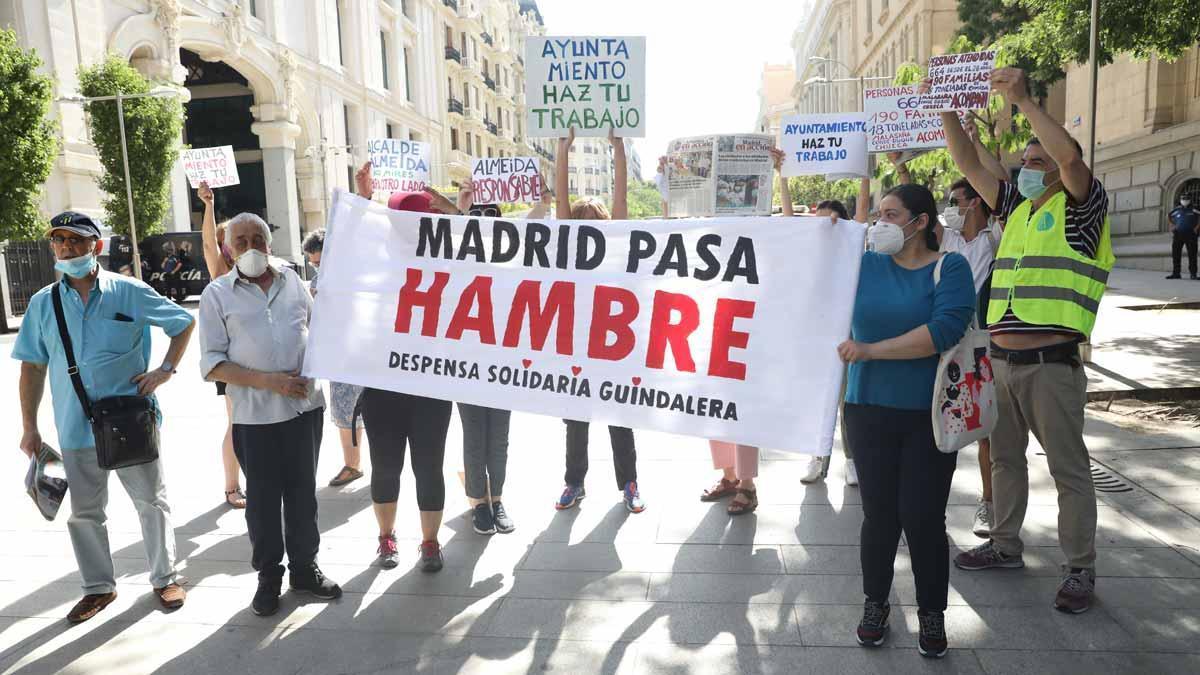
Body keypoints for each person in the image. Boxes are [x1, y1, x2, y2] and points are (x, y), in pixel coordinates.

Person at [938, 68, 1115, 615]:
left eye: (1038, 162)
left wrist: (1023, 101)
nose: (1029, 169)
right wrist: (945, 107)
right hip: (1003, 362)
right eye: (1027, 162)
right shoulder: (1015, 210)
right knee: (1007, 461)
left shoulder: (1083, 206)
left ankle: (1079, 569)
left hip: (1051, 366)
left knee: (1068, 469)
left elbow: (1069, 159)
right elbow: (969, 162)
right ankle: (1005, 545)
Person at [14, 211, 195, 623]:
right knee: (85, 513)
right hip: (76, 428)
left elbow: (182, 323)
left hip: (131, 422)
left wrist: (164, 371)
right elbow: (32, 367)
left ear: (95, 246)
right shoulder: (44, 303)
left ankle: (164, 577)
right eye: (59, 241)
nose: (67, 248)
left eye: (76, 241)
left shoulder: (128, 291)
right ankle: (98, 588)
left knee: (151, 502)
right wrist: (30, 427)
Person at [838, 185, 975, 658]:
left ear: (920, 223)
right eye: (877, 214)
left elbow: (942, 332)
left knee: (922, 518)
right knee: (879, 518)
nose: (879, 223)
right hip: (867, 408)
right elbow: (808, 263)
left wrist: (871, 351)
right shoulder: (864, 265)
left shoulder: (949, 268)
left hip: (929, 416)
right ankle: (875, 603)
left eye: (890, 215)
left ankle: (932, 612)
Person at [199, 212, 342, 617]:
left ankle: (304, 569)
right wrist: (270, 382)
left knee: (302, 495)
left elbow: (319, 330)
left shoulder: (293, 282)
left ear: (269, 242)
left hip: (304, 411)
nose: (250, 247)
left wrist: (317, 365)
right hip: (255, 418)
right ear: (228, 249)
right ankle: (268, 577)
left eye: (257, 239)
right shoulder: (216, 295)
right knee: (262, 503)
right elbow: (212, 364)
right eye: (240, 241)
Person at [352, 162, 458, 571]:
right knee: (386, 465)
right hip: (383, 386)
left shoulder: (448, 263)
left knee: (429, 466)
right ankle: (386, 537)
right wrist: (363, 199)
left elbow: (479, 248)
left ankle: (429, 543)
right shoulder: (372, 265)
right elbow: (349, 248)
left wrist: (450, 204)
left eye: (422, 220)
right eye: (406, 220)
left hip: (431, 386)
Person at [554, 127, 646, 514]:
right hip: (577, 348)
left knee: (620, 419)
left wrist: (619, 150)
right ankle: (574, 483)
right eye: (583, 219)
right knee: (576, 424)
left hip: (613, 349)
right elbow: (560, 202)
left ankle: (629, 483)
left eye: (597, 219)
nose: (591, 225)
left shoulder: (615, 247)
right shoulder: (569, 248)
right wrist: (563, 151)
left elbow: (621, 197)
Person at [700, 146, 791, 514]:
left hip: (749, 335)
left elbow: (791, 227)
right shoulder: (709, 235)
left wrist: (781, 175)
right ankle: (729, 476)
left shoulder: (766, 235)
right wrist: (667, 186)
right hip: (712, 333)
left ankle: (748, 485)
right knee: (713, 408)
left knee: (743, 410)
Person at [450, 178, 517, 536]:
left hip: (503, 363)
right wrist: (463, 213)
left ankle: (498, 500)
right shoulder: (460, 256)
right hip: (466, 363)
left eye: (492, 214)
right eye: (479, 214)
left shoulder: (512, 259)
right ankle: (478, 502)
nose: (484, 219)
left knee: (499, 437)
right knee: (474, 434)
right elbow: (451, 260)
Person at [940, 174, 1001, 539]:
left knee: (985, 432)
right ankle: (932, 503)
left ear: (975, 202)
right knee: (941, 426)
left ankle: (989, 503)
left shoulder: (995, 240)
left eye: (956, 200)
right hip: (947, 344)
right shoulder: (946, 238)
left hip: (983, 347)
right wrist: (899, 170)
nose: (950, 208)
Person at [800, 178, 871, 486]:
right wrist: (784, 175)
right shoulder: (809, 253)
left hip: (849, 336)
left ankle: (852, 460)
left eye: (830, 221)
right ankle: (817, 457)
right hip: (817, 336)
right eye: (818, 221)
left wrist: (864, 173)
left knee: (846, 402)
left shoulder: (852, 249)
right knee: (818, 399)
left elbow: (862, 213)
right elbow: (790, 222)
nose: (823, 227)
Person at [301, 228, 366, 489]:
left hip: (360, 354)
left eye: (319, 262)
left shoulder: (355, 275)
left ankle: (362, 464)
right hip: (339, 358)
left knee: (371, 412)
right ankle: (353, 464)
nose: (316, 267)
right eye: (312, 263)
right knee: (344, 412)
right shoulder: (318, 283)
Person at [197, 182, 245, 509]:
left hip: (260, 363)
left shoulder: (260, 274)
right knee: (237, 423)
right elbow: (206, 243)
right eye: (234, 240)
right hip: (232, 364)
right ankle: (231, 488)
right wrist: (209, 205)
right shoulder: (220, 273)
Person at [1167, 194, 1199, 280]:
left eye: (1187, 199)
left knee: (1192, 255)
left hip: (1191, 234)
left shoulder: (1194, 209)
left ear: (1190, 200)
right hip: (1178, 234)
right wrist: (1172, 226)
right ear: (1180, 200)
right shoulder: (1176, 209)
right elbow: (1169, 216)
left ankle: (1193, 274)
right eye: (1183, 199)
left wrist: (1196, 228)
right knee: (1176, 254)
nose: (1185, 200)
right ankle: (1176, 273)